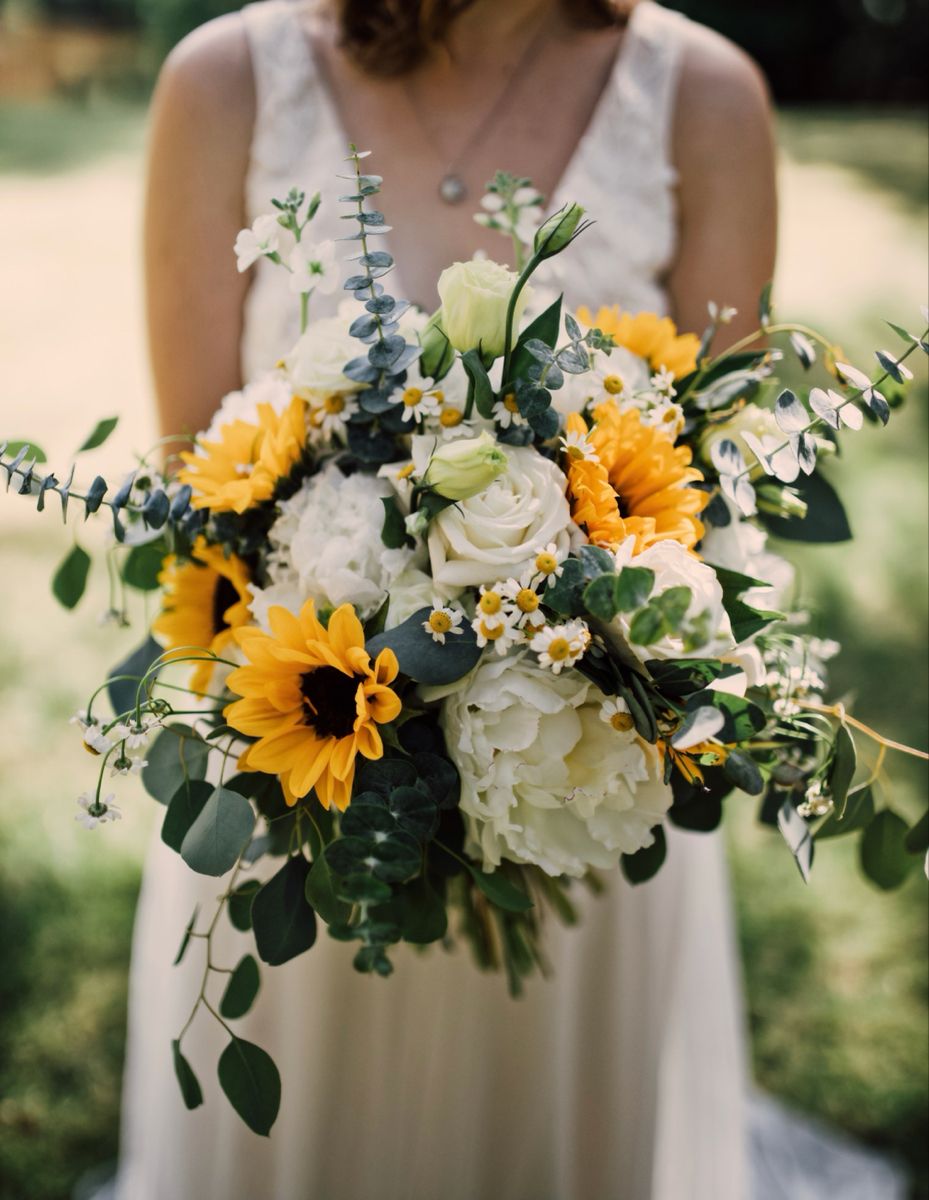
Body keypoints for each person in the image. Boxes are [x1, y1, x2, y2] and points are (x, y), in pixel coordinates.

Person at [121, 2, 777, 1197]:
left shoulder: (706, 98)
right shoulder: (224, 82)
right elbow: (200, 499)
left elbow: (705, 494)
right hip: (299, 794)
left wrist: (567, 676)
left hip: (583, 787)